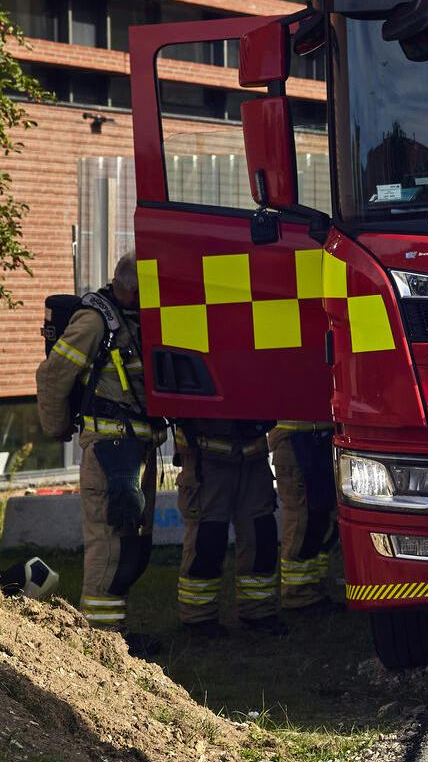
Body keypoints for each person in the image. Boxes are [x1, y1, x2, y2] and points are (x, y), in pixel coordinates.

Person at [35, 253, 160, 644]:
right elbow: (53, 375)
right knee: (107, 542)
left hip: (137, 448)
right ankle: (98, 642)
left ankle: (114, 636)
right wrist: (56, 427)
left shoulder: (139, 319)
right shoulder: (94, 321)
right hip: (108, 449)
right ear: (130, 288)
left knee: (128, 541)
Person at [174, 419, 286, 637]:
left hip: (253, 456)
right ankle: (198, 618)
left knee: (261, 535)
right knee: (208, 540)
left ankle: (258, 612)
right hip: (205, 456)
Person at [269, 420, 337, 611]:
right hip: (295, 441)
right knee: (302, 521)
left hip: (318, 437)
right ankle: (297, 595)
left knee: (319, 519)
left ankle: (312, 589)